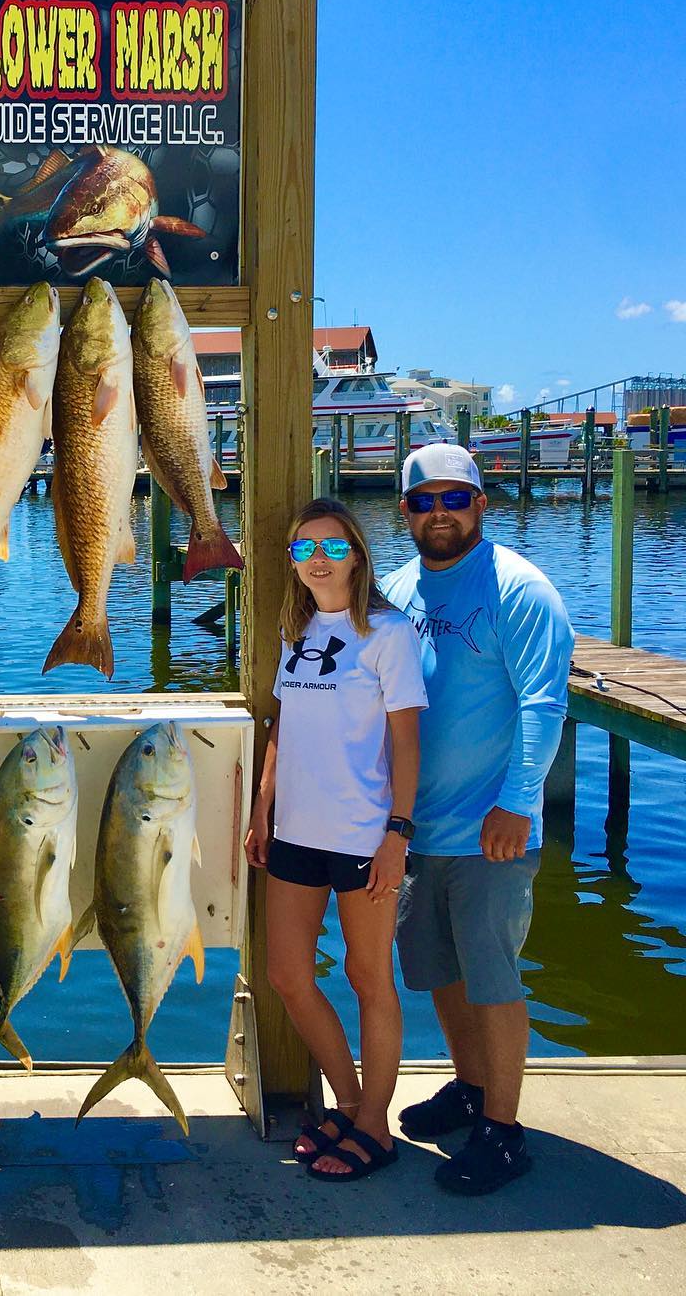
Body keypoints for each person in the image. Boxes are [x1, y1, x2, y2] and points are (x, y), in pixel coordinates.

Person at [380, 443, 573, 1195]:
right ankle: (469, 1089)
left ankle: (504, 1129)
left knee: (492, 976)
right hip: (413, 831)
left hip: (492, 829)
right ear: (406, 512)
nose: (439, 513)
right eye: (423, 501)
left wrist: (519, 802)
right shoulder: (394, 590)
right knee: (439, 971)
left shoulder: (520, 590)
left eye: (454, 498)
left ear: (481, 503)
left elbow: (544, 703)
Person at [244, 497, 427, 1183]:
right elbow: (281, 728)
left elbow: (407, 743)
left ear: (355, 551)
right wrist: (263, 808)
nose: (316, 559)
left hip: (362, 835)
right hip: (295, 833)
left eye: (329, 545)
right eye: (302, 549)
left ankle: (376, 1126)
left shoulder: (387, 634)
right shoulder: (295, 631)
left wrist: (397, 835)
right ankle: (350, 1102)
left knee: (368, 977)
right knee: (289, 976)